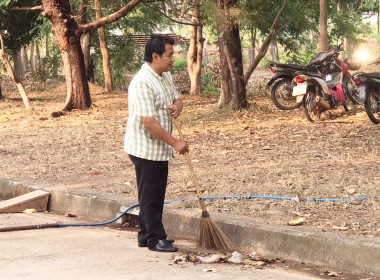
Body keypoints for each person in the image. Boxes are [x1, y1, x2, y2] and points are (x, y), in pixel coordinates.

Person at [124, 35, 189, 252]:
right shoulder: (142, 82)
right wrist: (175, 143)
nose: (173, 59)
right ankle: (154, 238)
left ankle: (145, 235)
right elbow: (148, 122)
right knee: (151, 194)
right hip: (145, 147)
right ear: (155, 56)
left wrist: (177, 106)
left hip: (159, 148)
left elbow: (176, 98)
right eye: (169, 55)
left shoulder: (165, 76)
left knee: (155, 192)